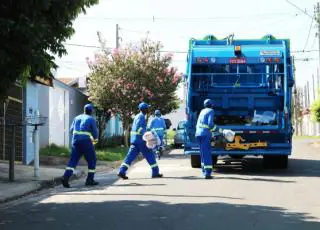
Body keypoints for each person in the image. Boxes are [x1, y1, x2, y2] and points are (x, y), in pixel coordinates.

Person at [118, 102, 163, 180]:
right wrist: (146, 135)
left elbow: (139, 127)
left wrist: (147, 130)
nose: (148, 110)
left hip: (134, 140)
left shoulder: (137, 116)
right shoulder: (141, 116)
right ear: (145, 109)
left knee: (130, 157)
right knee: (150, 155)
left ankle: (122, 171)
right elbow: (139, 128)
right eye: (147, 108)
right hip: (140, 140)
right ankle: (155, 173)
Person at [61, 104, 99, 188]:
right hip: (86, 142)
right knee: (92, 160)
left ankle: (66, 177)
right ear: (91, 111)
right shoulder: (91, 119)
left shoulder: (77, 117)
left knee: (73, 160)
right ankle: (90, 180)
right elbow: (95, 133)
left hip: (75, 141)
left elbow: (71, 130)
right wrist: (95, 139)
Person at [195, 99, 220, 179]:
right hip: (205, 134)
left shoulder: (202, 111)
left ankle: (204, 171)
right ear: (211, 105)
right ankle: (207, 173)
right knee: (207, 153)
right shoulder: (211, 111)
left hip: (198, 133)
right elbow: (210, 124)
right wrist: (218, 130)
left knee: (202, 153)